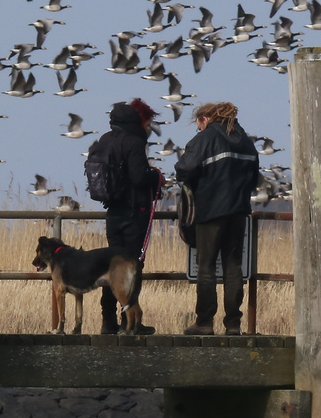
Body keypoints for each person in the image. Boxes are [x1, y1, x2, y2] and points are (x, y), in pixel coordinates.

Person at [174, 101, 260, 335]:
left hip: (210, 210)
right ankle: (233, 324)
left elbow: (185, 169)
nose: (198, 129)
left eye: (198, 125)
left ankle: (204, 322)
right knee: (233, 267)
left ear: (205, 119)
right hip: (238, 211)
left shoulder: (205, 139)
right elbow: (254, 179)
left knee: (206, 267)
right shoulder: (246, 142)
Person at [86, 98, 163, 334]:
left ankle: (107, 320)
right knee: (131, 268)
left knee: (112, 268)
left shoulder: (105, 140)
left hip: (114, 213)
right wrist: (157, 175)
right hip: (133, 213)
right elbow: (139, 177)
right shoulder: (134, 142)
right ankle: (129, 323)